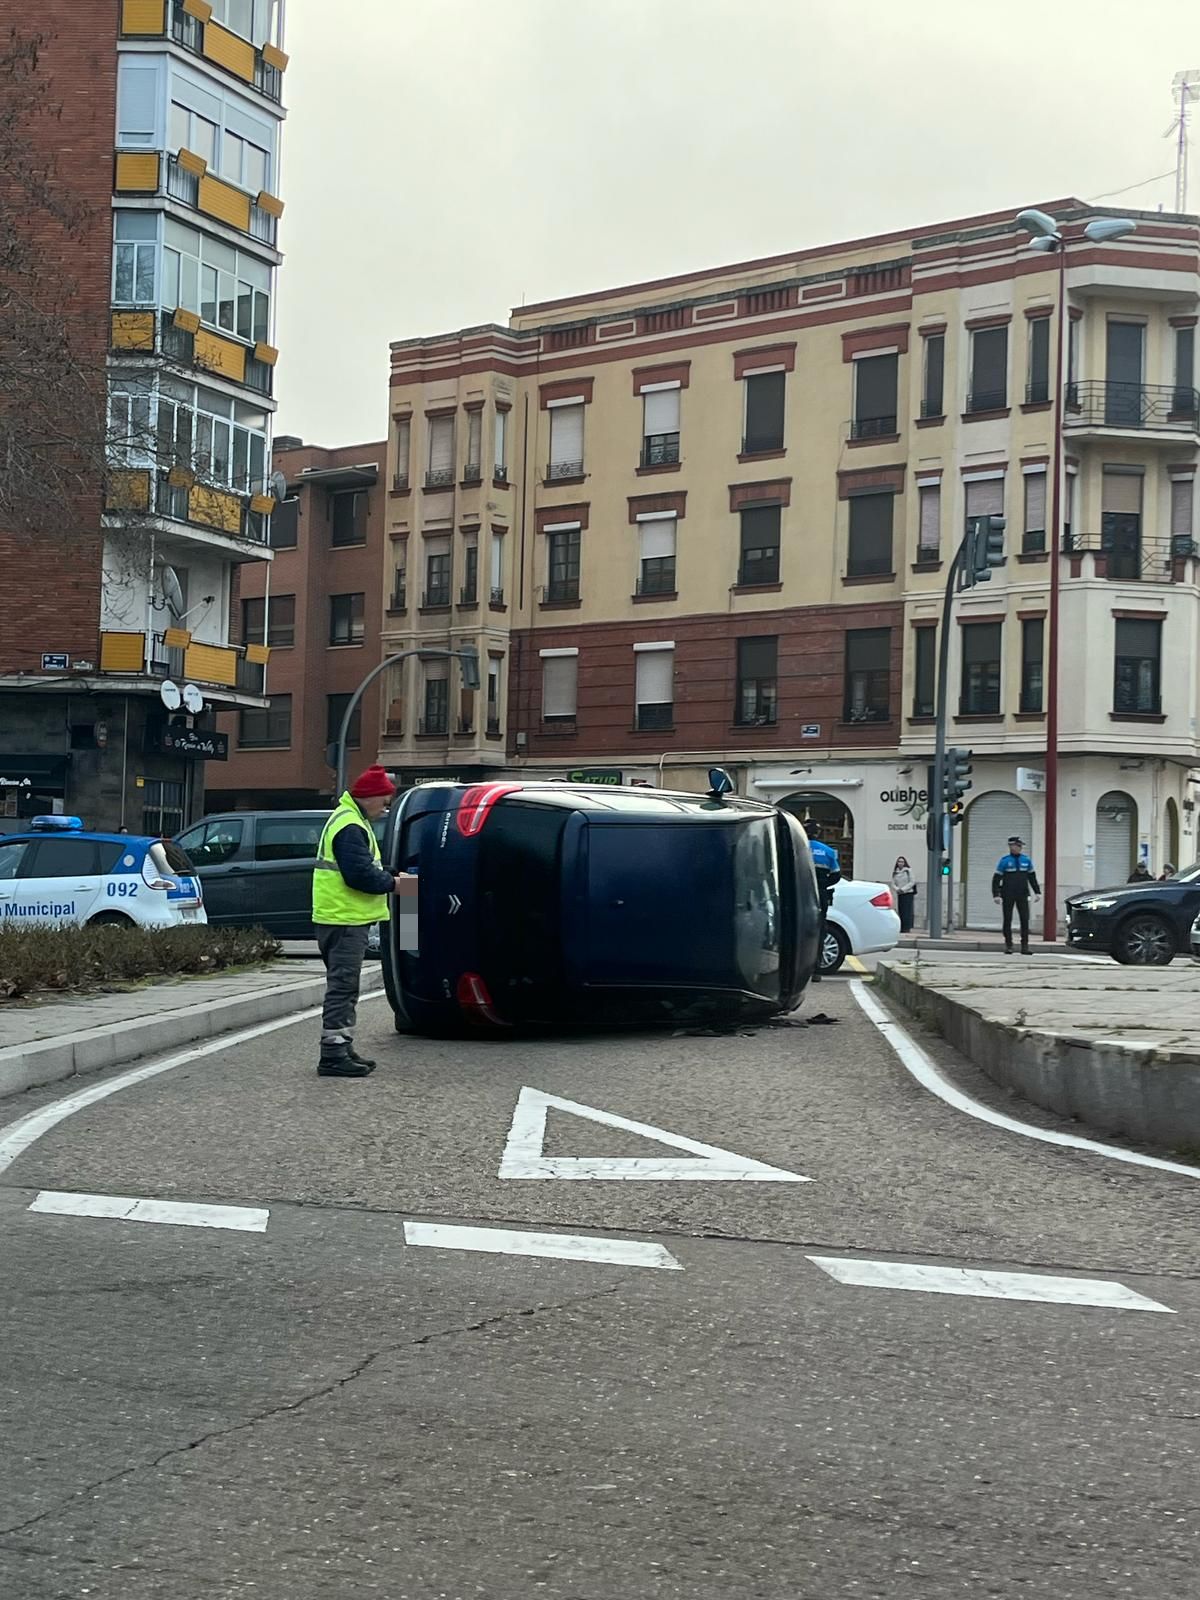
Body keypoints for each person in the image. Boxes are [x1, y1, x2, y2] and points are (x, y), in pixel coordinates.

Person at [312, 765, 408, 1078]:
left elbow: (366, 865)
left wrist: (391, 873)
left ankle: (342, 1045)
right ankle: (333, 1054)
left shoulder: (350, 819)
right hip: (343, 919)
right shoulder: (351, 825)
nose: (386, 806)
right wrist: (396, 884)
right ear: (369, 797)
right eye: (384, 799)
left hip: (340, 918)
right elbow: (359, 875)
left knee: (344, 986)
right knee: (342, 988)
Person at [992, 834, 1041, 955]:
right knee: (1007, 919)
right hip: (1008, 894)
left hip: (1022, 894)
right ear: (1011, 846)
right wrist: (996, 894)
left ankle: (1025, 946)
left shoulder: (1026, 860)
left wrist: (1037, 892)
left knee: (1024, 919)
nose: (1018, 848)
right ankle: (1009, 945)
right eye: (1016, 845)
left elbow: (1032, 877)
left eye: (1019, 846)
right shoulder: (1005, 861)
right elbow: (996, 879)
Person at [807, 821, 842, 981]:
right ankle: (816, 970)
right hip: (820, 894)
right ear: (819, 834)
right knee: (820, 929)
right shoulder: (828, 851)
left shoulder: (796, 847)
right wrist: (821, 885)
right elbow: (836, 875)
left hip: (799, 893)